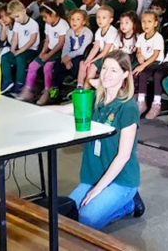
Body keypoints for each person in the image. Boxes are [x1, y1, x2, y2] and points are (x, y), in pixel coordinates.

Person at [49, 51, 144, 229]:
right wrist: (34, 110)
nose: (106, 74)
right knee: (66, 216)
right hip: (93, 175)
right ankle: (114, 201)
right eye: (105, 68)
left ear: (125, 74)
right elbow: (65, 110)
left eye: (114, 70)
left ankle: (128, 203)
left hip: (121, 179)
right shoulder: (94, 98)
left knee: (85, 221)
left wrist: (97, 190)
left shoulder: (128, 107)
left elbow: (123, 156)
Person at [18, 2, 69, 105]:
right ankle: (28, 89)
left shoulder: (63, 25)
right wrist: (43, 52)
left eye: (45, 17)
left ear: (53, 14)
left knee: (47, 67)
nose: (44, 19)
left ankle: (47, 91)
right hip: (49, 50)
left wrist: (48, 56)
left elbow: (60, 43)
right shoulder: (48, 24)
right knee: (33, 65)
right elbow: (47, 40)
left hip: (59, 52)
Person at [0, 0, 40, 94]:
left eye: (17, 17)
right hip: (20, 49)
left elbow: (32, 41)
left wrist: (19, 51)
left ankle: (20, 83)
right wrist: (13, 49)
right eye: (14, 18)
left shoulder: (33, 24)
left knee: (19, 58)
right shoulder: (17, 24)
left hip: (31, 50)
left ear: (24, 11)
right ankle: (8, 81)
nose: (16, 20)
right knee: (5, 57)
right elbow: (15, 37)